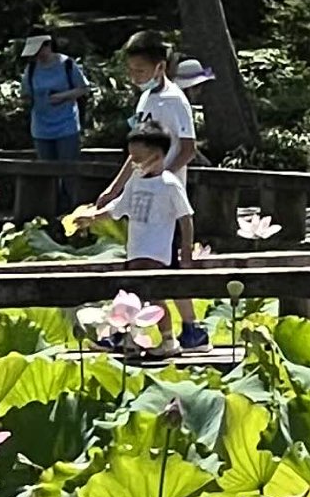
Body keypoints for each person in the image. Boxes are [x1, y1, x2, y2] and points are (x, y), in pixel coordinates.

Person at [89, 33, 205, 347]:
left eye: (140, 70)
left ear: (160, 67)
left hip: (166, 201)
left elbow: (188, 148)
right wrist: (115, 189)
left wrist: (160, 178)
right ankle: (188, 330)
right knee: (147, 268)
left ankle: (186, 329)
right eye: (130, 70)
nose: (134, 77)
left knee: (164, 270)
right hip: (144, 195)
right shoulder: (146, 99)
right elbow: (137, 152)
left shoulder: (174, 100)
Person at [69, 123, 194, 354]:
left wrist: (186, 249)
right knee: (133, 295)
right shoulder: (135, 181)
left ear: (157, 156)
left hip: (157, 252)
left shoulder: (169, 184)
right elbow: (118, 208)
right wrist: (92, 217)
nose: (133, 164)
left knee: (153, 297)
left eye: (137, 158)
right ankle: (128, 337)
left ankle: (167, 340)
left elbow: (185, 217)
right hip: (136, 249)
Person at [20, 31, 87, 195]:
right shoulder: (31, 69)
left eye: (39, 50)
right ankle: (49, 206)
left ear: (48, 45)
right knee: (46, 175)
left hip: (66, 125)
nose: (37, 55)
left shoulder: (67, 64)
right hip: (41, 127)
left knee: (68, 172)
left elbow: (83, 88)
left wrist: (63, 96)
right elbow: (25, 94)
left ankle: (70, 204)